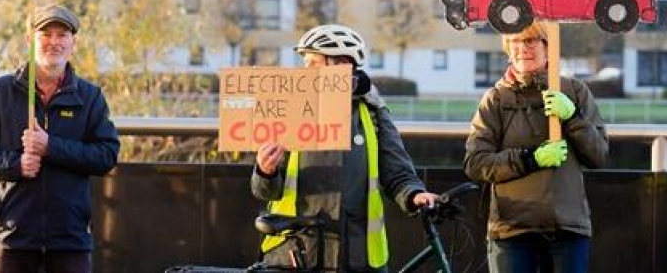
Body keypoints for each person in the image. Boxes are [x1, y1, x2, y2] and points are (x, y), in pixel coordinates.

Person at [252, 24, 437, 272]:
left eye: (314, 63)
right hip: (296, 255)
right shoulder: (289, 110)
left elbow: (398, 173)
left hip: (357, 257)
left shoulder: (372, 113)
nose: (305, 70)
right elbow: (264, 193)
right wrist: (265, 170)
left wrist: (415, 194)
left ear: (341, 65)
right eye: (305, 62)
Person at [0, 4, 120, 273]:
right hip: (13, 237)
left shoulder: (90, 96)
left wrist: (51, 147)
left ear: (73, 43)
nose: (54, 42)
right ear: (29, 40)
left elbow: (106, 156)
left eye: (62, 35)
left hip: (71, 241)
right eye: (45, 34)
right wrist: (15, 165)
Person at [463, 20, 609, 273]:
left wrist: (572, 118)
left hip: (568, 229)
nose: (522, 48)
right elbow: (476, 163)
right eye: (515, 42)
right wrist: (531, 159)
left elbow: (598, 156)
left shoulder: (574, 91)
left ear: (547, 45)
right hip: (512, 232)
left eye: (530, 41)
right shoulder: (496, 99)